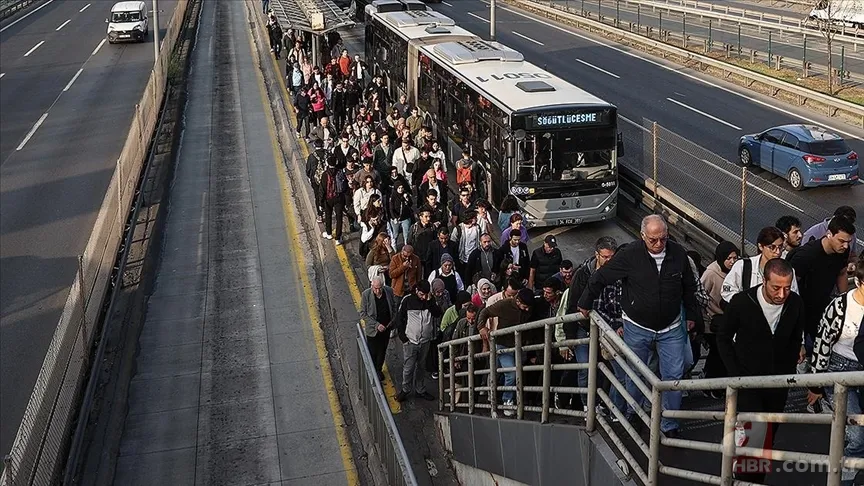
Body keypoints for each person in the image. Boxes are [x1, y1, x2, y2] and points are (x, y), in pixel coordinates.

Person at [576, 215, 698, 438]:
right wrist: (585, 302)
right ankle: (634, 412)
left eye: (663, 239)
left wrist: (692, 314)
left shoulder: (678, 254)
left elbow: (689, 286)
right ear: (643, 237)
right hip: (637, 326)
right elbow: (601, 277)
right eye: (653, 240)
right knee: (635, 373)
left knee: (673, 376)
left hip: (670, 328)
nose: (659, 244)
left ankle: (669, 424)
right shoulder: (629, 255)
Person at [715, 258, 806, 484]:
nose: (782, 294)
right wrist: (736, 374)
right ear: (764, 281)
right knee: (755, 434)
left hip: (778, 383)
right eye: (776, 287)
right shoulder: (741, 302)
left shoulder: (795, 303)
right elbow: (723, 337)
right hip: (748, 382)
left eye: (787, 287)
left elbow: (796, 337)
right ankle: (747, 479)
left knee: (769, 434)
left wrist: (788, 368)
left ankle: (754, 476)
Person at [807, 254, 863, 486]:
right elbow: (822, 344)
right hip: (839, 369)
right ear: (858, 282)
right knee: (858, 435)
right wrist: (816, 384)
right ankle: (844, 480)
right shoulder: (840, 305)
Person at [560, 237, 617, 409]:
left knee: (607, 368)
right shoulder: (583, 274)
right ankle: (587, 405)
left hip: (607, 328)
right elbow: (571, 305)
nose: (609, 261)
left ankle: (601, 403)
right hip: (583, 327)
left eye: (611, 257)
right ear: (597, 255)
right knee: (586, 368)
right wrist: (568, 337)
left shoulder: (617, 272)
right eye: (605, 257)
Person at [789, 216, 856, 356]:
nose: (845, 246)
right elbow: (791, 284)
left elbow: (842, 273)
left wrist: (844, 300)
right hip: (802, 310)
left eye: (848, 242)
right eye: (841, 241)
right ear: (829, 234)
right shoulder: (807, 255)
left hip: (823, 307)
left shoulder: (842, 252)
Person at [477, 288, 536, 416]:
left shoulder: (529, 307)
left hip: (520, 346)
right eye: (525, 307)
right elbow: (485, 312)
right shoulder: (505, 305)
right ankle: (507, 400)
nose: (527, 310)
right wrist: (482, 327)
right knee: (511, 373)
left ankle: (496, 398)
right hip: (503, 345)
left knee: (500, 373)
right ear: (518, 301)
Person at [721, 226, 799, 304]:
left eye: (780, 247)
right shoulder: (743, 266)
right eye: (772, 247)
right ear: (761, 246)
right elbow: (727, 290)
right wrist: (743, 304)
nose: (778, 252)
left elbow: (794, 298)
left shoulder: (788, 271)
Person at [700, 241, 739, 393]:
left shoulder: (737, 271)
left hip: (729, 319)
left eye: (735, 258)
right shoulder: (710, 274)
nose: (732, 262)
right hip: (712, 320)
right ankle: (710, 383)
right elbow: (700, 294)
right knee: (717, 352)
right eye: (729, 258)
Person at [396, 281, 443, 402]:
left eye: (425, 295)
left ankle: (420, 389)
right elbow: (399, 318)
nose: (423, 297)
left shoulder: (429, 301)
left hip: (425, 341)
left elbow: (438, 313)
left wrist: (429, 301)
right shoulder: (407, 300)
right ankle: (405, 389)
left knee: (422, 367)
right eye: (421, 294)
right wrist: (403, 337)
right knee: (409, 367)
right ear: (416, 290)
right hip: (411, 341)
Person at [361, 276, 398, 380]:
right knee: (373, 351)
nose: (378, 291)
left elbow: (394, 306)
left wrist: (391, 321)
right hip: (373, 330)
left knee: (382, 350)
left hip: (386, 328)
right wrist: (377, 325)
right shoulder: (366, 295)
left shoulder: (389, 291)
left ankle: (378, 369)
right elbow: (363, 313)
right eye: (375, 288)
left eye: (380, 288)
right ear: (372, 286)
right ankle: (372, 371)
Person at [320, 156, 348, 245]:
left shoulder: (325, 174)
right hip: (339, 198)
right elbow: (345, 186)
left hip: (328, 199)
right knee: (339, 217)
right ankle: (338, 238)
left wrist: (321, 202)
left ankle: (328, 233)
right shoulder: (340, 172)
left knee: (328, 215)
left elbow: (322, 189)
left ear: (328, 163)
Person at [451, 210, 481, 282]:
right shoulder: (458, 229)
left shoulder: (477, 228)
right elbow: (452, 243)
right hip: (462, 259)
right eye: (475, 217)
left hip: (474, 258)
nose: (476, 219)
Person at [305, 138, 327, 222]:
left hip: (316, 180)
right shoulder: (327, 153)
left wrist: (310, 178)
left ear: (314, 146)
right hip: (326, 179)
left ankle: (320, 215)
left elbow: (308, 170)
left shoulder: (312, 156)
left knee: (317, 197)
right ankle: (325, 209)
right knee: (326, 195)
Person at [388, 180, 413, 246]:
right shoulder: (393, 196)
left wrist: (407, 199)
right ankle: (394, 247)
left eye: (402, 188)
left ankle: (406, 246)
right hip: (396, 218)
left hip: (405, 217)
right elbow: (391, 208)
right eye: (399, 188)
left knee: (406, 234)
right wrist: (394, 218)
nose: (401, 189)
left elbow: (411, 204)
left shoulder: (405, 194)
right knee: (395, 234)